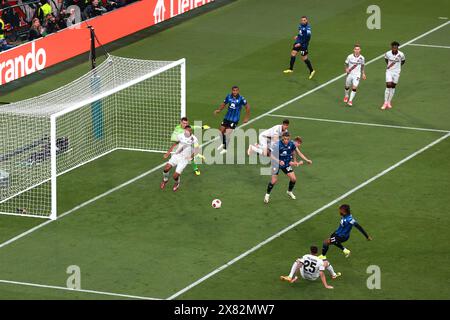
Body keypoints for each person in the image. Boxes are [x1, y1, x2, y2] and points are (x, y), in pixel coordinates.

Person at [264, 133, 312, 204]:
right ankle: (267, 195)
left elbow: (298, 153)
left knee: (293, 179)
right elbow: (270, 155)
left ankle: (289, 191)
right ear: (283, 138)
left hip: (285, 164)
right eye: (285, 139)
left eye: (288, 139)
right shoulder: (277, 145)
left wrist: (307, 160)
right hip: (276, 163)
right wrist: (279, 161)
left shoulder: (291, 144)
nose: (286, 140)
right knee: (274, 181)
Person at [161, 125, 199, 192]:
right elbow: (175, 144)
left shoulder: (194, 138)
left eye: (190, 130)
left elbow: (197, 149)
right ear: (185, 130)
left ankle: (177, 183)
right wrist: (168, 152)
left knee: (175, 176)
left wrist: (191, 157)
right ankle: (165, 180)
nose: (188, 132)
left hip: (184, 159)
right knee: (166, 168)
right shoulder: (180, 135)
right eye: (187, 130)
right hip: (177, 155)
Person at [214, 86, 250, 155]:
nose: (235, 92)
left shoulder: (241, 99)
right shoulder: (228, 96)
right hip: (227, 117)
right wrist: (219, 110)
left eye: (236, 90)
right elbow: (224, 103)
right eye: (234, 90)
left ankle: (225, 148)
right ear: (232, 91)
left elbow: (247, 107)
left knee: (227, 133)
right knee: (220, 131)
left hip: (234, 119)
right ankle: (224, 143)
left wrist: (246, 118)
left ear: (238, 91)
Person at [382, 41, 406, 110]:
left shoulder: (401, 54)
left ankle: (389, 102)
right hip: (389, 71)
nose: (395, 48)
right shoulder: (388, 53)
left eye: (396, 47)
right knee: (388, 85)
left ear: (398, 48)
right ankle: (385, 102)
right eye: (393, 47)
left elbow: (403, 61)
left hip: (397, 72)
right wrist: (389, 66)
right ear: (391, 47)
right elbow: (386, 59)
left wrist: (398, 67)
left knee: (393, 86)